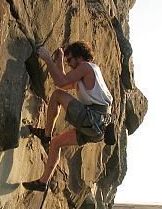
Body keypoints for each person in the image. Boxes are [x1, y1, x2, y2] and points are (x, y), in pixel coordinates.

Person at [23, 41, 113, 192]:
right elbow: (64, 83)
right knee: (56, 143)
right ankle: (43, 182)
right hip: (98, 128)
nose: (69, 64)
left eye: (70, 60)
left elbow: (60, 83)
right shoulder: (91, 71)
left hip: (93, 119)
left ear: (79, 57)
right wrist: (59, 61)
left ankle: (46, 135)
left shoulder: (85, 67)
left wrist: (47, 59)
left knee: (57, 95)